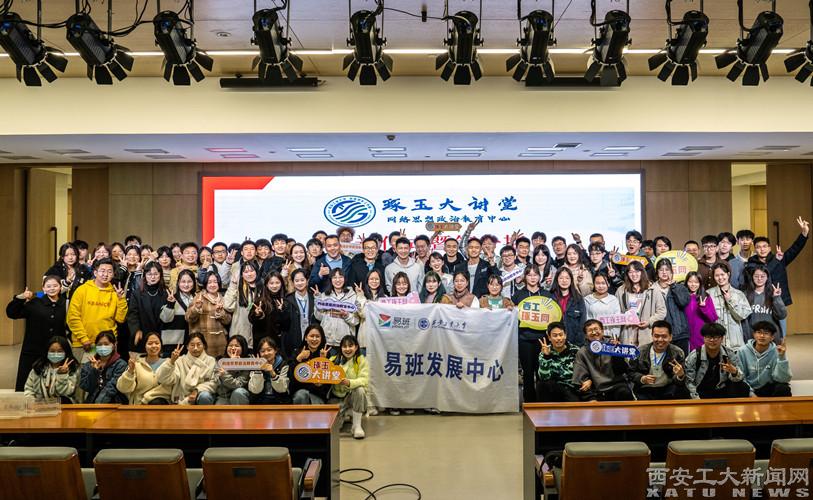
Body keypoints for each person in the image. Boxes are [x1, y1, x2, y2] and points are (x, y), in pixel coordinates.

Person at [745, 217, 809, 327]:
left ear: (770, 248)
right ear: (755, 250)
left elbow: (795, 249)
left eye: (765, 246)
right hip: (760, 302)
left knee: (781, 330)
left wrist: (804, 233)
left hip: (778, 300)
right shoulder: (751, 263)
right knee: (762, 329)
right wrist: (776, 261)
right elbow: (763, 273)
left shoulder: (779, 258)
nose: (762, 249)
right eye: (758, 247)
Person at [7, 276, 67, 391]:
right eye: (48, 286)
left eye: (55, 286)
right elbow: (12, 313)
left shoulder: (65, 304)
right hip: (33, 350)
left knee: (54, 385)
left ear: (60, 287)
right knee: (27, 384)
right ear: (43, 288)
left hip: (56, 351)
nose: (52, 288)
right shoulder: (35, 303)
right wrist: (20, 298)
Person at [67, 258, 128, 363]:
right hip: (83, 344)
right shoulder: (82, 290)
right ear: (95, 273)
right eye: (102, 271)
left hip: (107, 344)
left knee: (107, 372)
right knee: (82, 372)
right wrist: (84, 339)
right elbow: (72, 317)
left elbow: (120, 319)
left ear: (113, 274)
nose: (105, 274)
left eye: (109, 272)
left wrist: (121, 299)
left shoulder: (115, 293)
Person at [512, 266, 555, 403]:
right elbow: (511, 316)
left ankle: (543, 402)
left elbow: (554, 315)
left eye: (535, 275)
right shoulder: (518, 295)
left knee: (542, 371)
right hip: (524, 339)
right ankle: (529, 404)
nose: (532, 277)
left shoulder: (547, 295)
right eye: (529, 275)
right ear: (525, 277)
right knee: (528, 373)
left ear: (539, 277)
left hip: (543, 340)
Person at [571, 320, 634, 401]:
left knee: (625, 393)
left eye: (596, 329)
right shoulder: (582, 352)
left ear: (602, 331)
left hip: (616, 386)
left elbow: (623, 370)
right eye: (590, 330)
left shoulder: (613, 345)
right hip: (596, 390)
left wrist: (617, 354)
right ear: (586, 335)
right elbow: (580, 378)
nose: (594, 332)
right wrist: (590, 396)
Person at [685, 323, 749, 399]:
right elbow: (689, 382)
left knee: (743, 387)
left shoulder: (729, 353)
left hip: (722, 390)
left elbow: (741, 377)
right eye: (708, 337)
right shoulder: (694, 356)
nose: (712, 340)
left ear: (722, 338)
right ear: (704, 338)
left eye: (716, 337)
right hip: (701, 392)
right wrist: (697, 400)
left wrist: (734, 372)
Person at [630, 321, 688, 400]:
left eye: (664, 336)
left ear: (670, 337)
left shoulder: (678, 352)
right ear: (652, 336)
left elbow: (680, 381)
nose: (660, 340)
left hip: (668, 389)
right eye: (656, 336)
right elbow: (631, 372)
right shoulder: (639, 351)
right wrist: (642, 378)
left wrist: (680, 375)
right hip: (645, 389)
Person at [615, 260, 666, 347]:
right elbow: (616, 312)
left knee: (644, 354)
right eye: (631, 272)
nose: (634, 274)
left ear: (642, 272)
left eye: (637, 271)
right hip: (627, 334)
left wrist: (649, 322)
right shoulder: (621, 290)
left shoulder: (653, 290)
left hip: (646, 333)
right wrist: (624, 319)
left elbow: (662, 312)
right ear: (627, 274)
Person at [156, 333, 218, 405]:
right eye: (192, 345)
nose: (195, 348)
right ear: (187, 347)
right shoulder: (180, 361)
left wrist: (196, 390)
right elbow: (163, 379)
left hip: (201, 395)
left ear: (204, 346)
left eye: (198, 345)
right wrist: (171, 362)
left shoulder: (211, 361)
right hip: (182, 397)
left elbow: (213, 382)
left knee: (205, 396)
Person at [329, 335, 369, 439]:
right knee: (336, 427)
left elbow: (364, 380)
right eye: (344, 346)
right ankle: (347, 413)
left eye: (350, 346)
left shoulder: (361, 360)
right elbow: (324, 375)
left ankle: (357, 426)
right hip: (336, 398)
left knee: (360, 389)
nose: (347, 349)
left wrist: (349, 383)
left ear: (356, 347)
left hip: (352, 397)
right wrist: (323, 359)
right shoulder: (333, 359)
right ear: (340, 348)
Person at [737, 321, 792, 397]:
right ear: (754, 335)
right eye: (759, 332)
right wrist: (751, 393)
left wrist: (782, 357)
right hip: (749, 388)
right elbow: (741, 375)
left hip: (768, 387)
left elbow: (783, 379)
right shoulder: (742, 351)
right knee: (737, 386)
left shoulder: (777, 352)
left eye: (766, 333)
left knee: (783, 388)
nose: (762, 336)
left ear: (772, 337)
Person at [116, 332, 172, 405]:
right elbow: (123, 388)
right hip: (139, 406)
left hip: (163, 405)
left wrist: (148, 397)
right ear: (144, 346)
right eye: (150, 343)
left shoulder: (169, 364)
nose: (153, 346)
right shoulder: (136, 364)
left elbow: (170, 388)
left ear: (161, 345)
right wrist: (130, 371)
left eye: (157, 343)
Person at [313, 268, 359, 354]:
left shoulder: (352, 296)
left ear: (345, 279)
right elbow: (319, 317)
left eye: (340, 277)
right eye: (334, 277)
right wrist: (318, 301)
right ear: (331, 280)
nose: (338, 280)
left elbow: (356, 321)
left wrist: (346, 315)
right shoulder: (324, 295)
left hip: (346, 343)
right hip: (327, 340)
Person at [186, 271, 232, 358]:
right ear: (205, 284)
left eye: (215, 282)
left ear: (219, 283)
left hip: (220, 342)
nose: (212, 285)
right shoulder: (199, 297)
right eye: (209, 282)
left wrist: (221, 313)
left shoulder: (223, 299)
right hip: (202, 341)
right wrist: (196, 308)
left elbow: (228, 321)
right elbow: (188, 318)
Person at [707, 262, 751, 351]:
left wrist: (730, 301)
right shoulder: (709, 294)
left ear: (728, 274)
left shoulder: (739, 294)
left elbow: (742, 316)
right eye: (717, 275)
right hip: (716, 344)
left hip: (736, 345)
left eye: (722, 274)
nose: (720, 278)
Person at [126, 261, 168, 353]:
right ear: (145, 275)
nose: (152, 277)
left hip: (160, 337)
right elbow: (132, 314)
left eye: (155, 274)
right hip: (142, 335)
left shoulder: (166, 293)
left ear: (160, 275)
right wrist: (136, 330)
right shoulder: (137, 293)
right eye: (149, 274)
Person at [24, 336, 78, 403]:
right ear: (47, 352)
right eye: (52, 351)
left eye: (60, 351)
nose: (56, 354)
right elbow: (29, 389)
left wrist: (62, 375)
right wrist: (32, 402)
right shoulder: (38, 368)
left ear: (66, 352)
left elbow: (67, 393)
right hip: (39, 406)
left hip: (63, 406)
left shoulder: (72, 369)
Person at [535, 322, 581, 402]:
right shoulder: (545, 351)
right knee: (541, 384)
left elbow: (582, 372)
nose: (559, 338)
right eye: (555, 335)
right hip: (553, 389)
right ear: (549, 337)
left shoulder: (576, 350)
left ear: (565, 335)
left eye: (561, 335)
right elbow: (543, 377)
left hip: (572, 389)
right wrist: (546, 357)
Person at [78, 331, 128, 404]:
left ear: (114, 345)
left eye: (106, 344)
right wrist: (94, 371)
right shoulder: (88, 365)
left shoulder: (121, 364)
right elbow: (86, 387)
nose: (103, 347)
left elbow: (112, 387)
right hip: (92, 402)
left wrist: (98, 404)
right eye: (99, 344)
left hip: (114, 403)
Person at [654, 259, 691, 355]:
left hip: (680, 334)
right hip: (660, 334)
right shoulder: (651, 289)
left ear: (671, 272)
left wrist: (673, 287)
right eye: (661, 270)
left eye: (667, 270)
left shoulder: (680, 287)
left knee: (681, 361)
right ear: (657, 272)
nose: (664, 272)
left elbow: (683, 302)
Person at [742, 264, 787, 341]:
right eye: (756, 276)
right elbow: (744, 320)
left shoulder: (773, 293)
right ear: (752, 277)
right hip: (752, 336)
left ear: (767, 278)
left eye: (762, 276)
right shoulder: (745, 295)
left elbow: (782, 315)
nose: (759, 279)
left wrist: (776, 298)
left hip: (771, 337)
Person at [291, 325, 331, 405]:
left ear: (321, 338)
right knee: (301, 395)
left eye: (317, 336)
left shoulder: (326, 354)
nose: (314, 339)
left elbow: (328, 384)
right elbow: (291, 379)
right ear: (306, 338)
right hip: (300, 393)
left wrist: (323, 361)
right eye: (312, 336)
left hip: (318, 395)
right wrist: (298, 359)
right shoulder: (297, 353)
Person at [224, 261, 261, 348]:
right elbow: (227, 306)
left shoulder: (262, 288)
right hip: (240, 332)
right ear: (242, 275)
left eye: (252, 271)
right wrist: (233, 285)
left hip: (258, 332)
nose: (249, 274)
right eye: (246, 272)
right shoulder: (237, 288)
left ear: (256, 272)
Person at [282, 269, 316, 359]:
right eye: (296, 281)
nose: (300, 283)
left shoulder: (314, 298)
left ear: (307, 281)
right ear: (293, 283)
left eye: (302, 280)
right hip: (294, 341)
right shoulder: (288, 300)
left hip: (312, 341)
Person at [159, 269, 195, 355]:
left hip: (193, 344)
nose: (186, 285)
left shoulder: (197, 299)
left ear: (194, 283)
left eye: (189, 281)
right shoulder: (171, 298)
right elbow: (165, 319)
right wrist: (170, 304)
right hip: (173, 345)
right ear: (178, 283)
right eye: (183, 282)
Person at [249, 271, 288, 349]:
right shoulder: (260, 301)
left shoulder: (285, 300)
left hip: (280, 343)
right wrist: (258, 315)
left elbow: (287, 325)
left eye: (277, 283)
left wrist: (282, 311)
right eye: (271, 283)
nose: (274, 286)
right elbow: (251, 319)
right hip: (263, 343)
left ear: (281, 284)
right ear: (266, 284)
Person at [248, 337, 291, 404]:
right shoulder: (255, 365)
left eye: (269, 350)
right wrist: (258, 371)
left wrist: (273, 373)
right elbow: (255, 390)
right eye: (262, 351)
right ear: (259, 353)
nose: (266, 353)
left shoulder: (283, 365)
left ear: (275, 350)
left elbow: (282, 389)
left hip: (280, 402)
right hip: (260, 402)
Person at [551, 268, 587, 346]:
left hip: (574, 341)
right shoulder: (550, 298)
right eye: (561, 278)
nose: (564, 281)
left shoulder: (578, 298)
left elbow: (582, 322)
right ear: (556, 280)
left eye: (567, 278)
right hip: (554, 341)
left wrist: (579, 342)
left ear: (571, 280)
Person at [683, 271, 718, 352]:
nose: (693, 284)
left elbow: (713, 318)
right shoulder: (683, 297)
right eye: (690, 282)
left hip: (701, 335)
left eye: (696, 282)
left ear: (700, 283)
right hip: (686, 335)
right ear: (686, 282)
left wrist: (704, 308)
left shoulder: (705, 297)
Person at [215, 336, 252, 405]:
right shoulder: (219, 361)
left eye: (237, 346)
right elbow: (219, 388)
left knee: (238, 393)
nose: (233, 348)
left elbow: (239, 385)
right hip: (224, 396)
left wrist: (230, 367)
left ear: (243, 348)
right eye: (230, 345)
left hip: (239, 395)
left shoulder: (248, 363)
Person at [584, 273, 622, 340]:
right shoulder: (587, 299)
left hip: (610, 337)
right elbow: (586, 319)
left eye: (603, 283)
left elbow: (617, 321)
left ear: (608, 284)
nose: (601, 286)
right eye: (597, 283)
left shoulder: (613, 299)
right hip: (592, 337)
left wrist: (614, 337)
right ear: (593, 284)